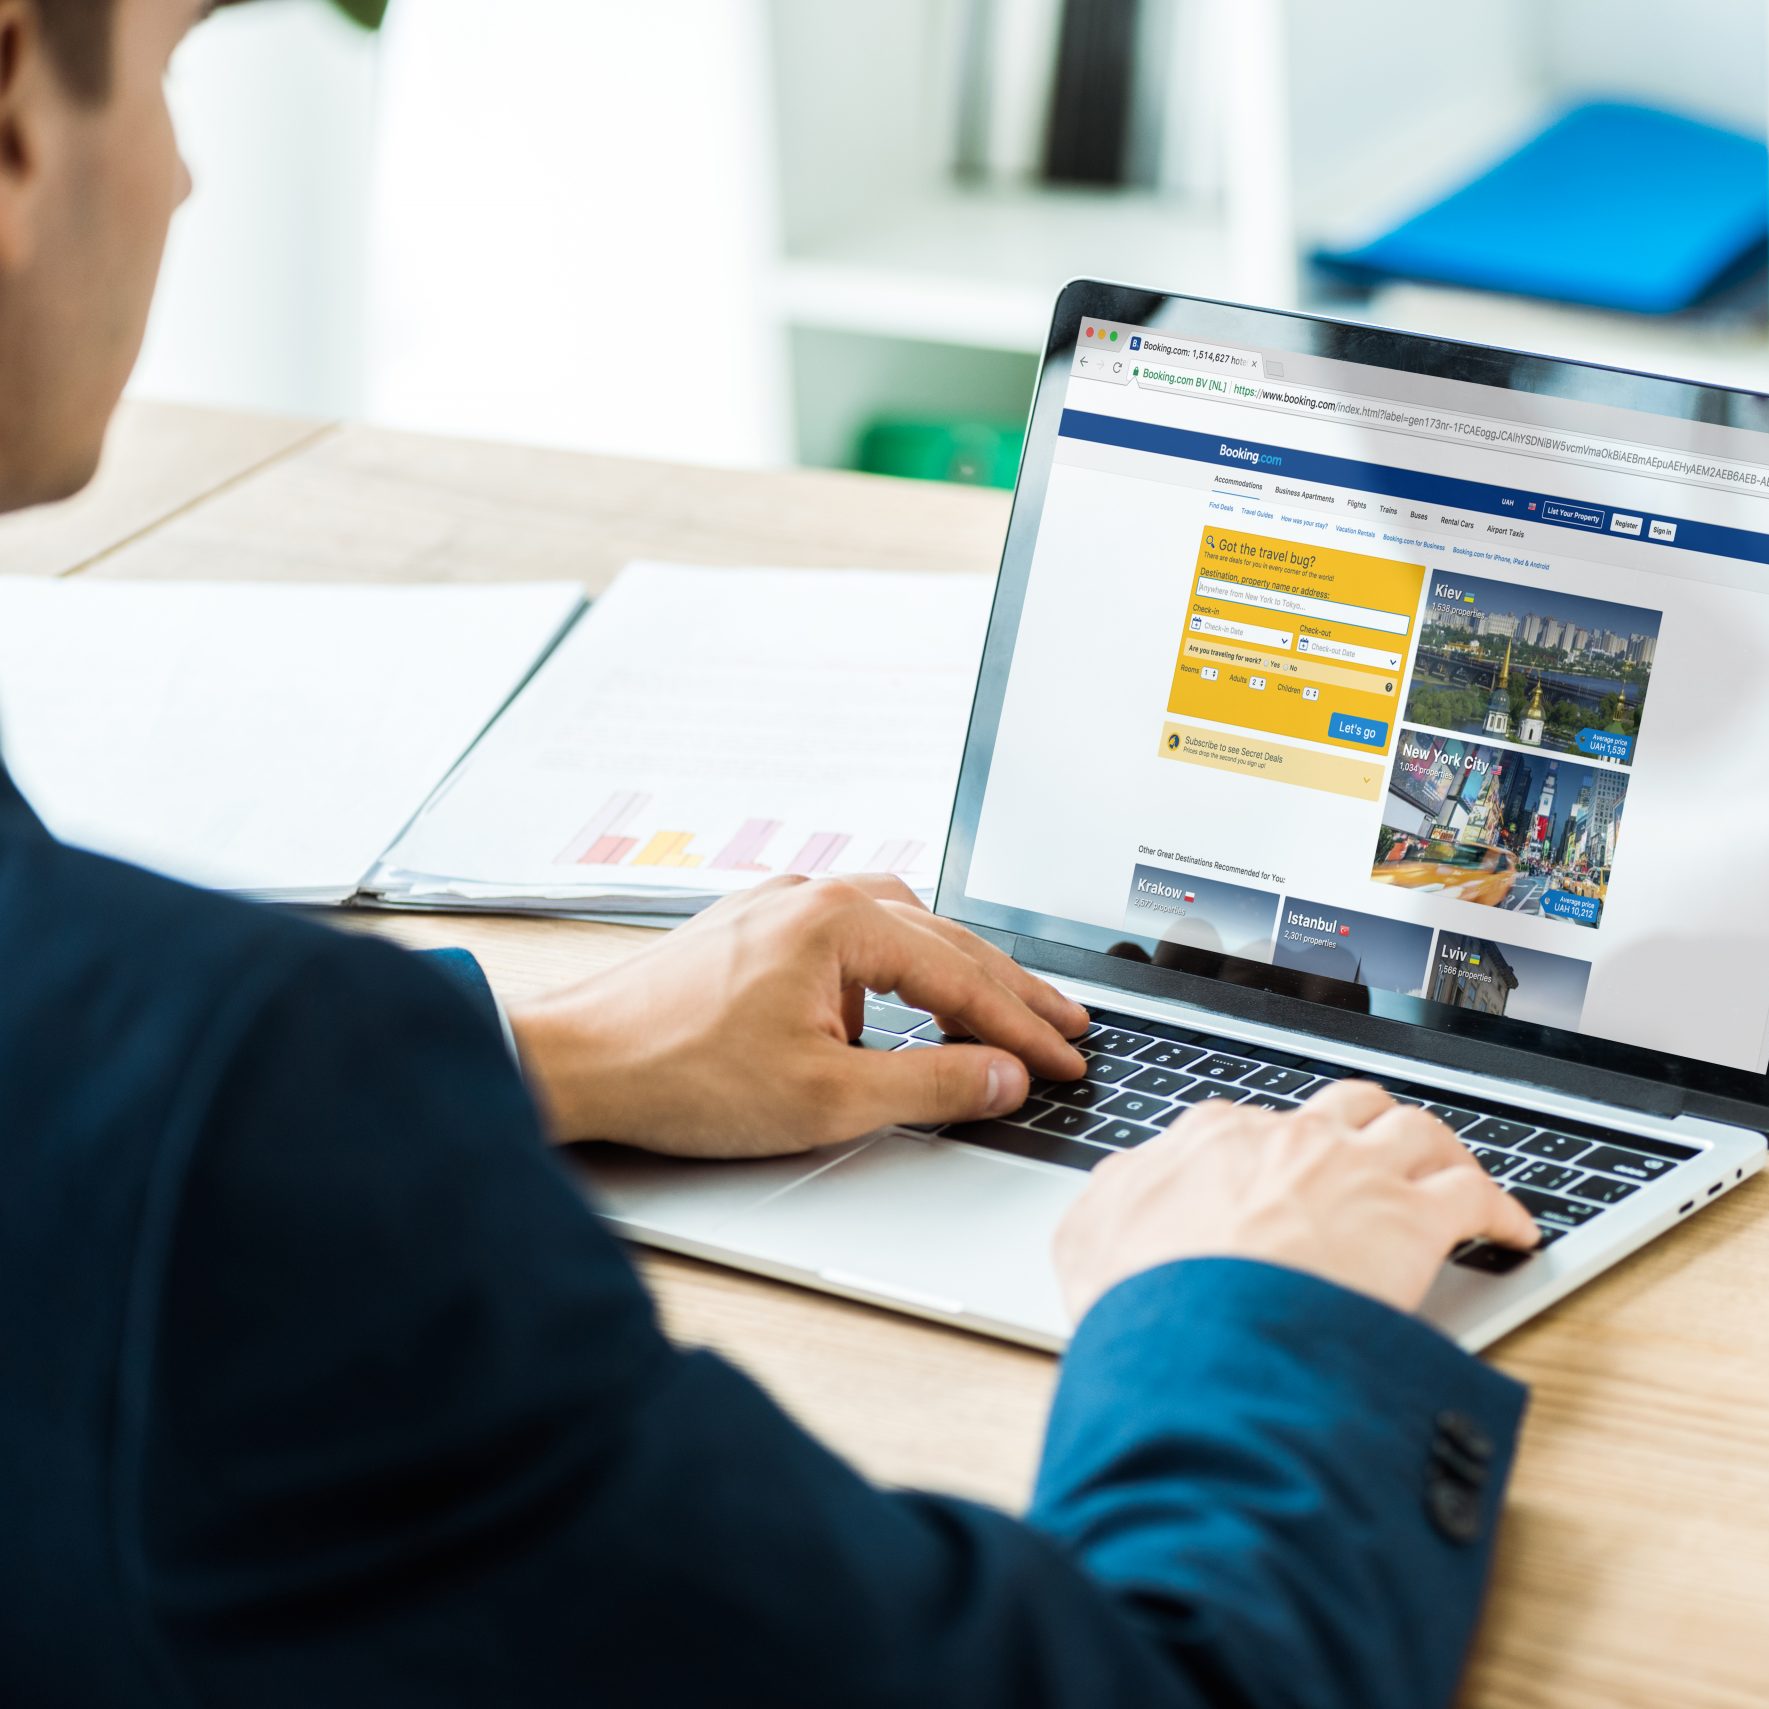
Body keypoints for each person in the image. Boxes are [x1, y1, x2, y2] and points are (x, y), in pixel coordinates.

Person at [0, 2, 1542, 1704]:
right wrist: (1247, 1305)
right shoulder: (242, 1124)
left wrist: (540, 1052)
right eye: (168, 69)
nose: (186, 171)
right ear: (12, 108)